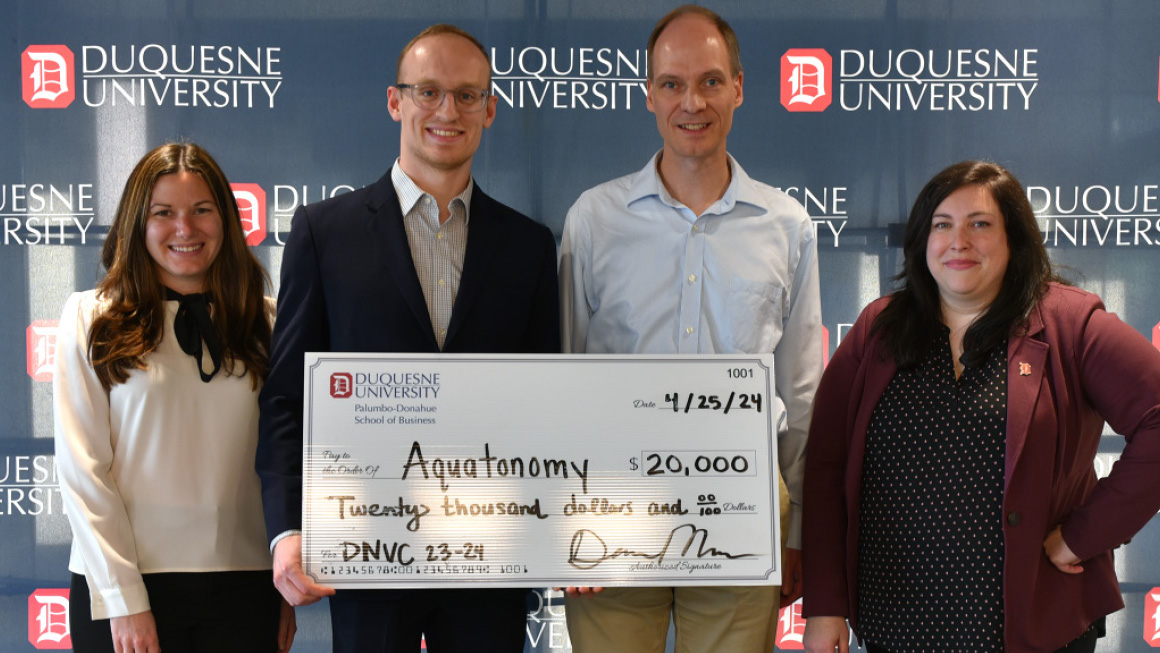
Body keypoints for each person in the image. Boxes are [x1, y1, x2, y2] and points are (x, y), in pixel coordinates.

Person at [256, 23, 560, 653]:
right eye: (428, 91)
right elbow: (286, 398)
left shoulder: (529, 247)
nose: (447, 110)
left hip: (490, 552)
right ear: (396, 102)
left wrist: (558, 527)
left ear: (490, 108)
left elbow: (545, 405)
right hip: (365, 548)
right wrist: (287, 529)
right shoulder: (323, 232)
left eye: (467, 95)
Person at [802, 160, 1160, 653]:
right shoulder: (877, 329)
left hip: (1035, 629)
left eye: (981, 224)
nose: (958, 241)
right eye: (942, 225)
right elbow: (825, 468)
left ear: (1015, 238)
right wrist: (824, 607)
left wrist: (1084, 535)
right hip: (896, 624)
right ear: (922, 241)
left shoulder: (1070, 324)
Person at [557, 5, 822, 651]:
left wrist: (797, 533)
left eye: (709, 81)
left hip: (744, 508)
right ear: (648, 94)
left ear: (737, 87)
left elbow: (803, 390)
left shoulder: (787, 225)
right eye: (672, 84)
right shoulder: (594, 218)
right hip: (611, 512)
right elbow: (561, 378)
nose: (691, 101)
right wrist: (563, 520)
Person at [54, 142, 294, 653]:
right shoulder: (88, 317)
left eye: (202, 210)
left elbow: (286, 460)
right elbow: (82, 471)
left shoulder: (268, 322)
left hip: (246, 584)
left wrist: (284, 587)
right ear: (137, 223)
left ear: (226, 220)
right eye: (164, 213)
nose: (185, 229)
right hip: (125, 586)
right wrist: (125, 599)